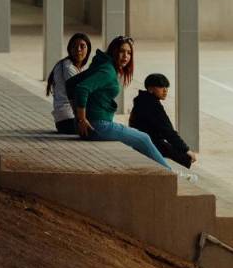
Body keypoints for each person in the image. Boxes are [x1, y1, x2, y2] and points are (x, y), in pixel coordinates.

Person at [71, 36, 176, 171]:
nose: (125, 56)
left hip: (96, 124)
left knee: (137, 137)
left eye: (129, 53)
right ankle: (170, 173)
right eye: (122, 51)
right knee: (143, 138)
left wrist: (78, 116)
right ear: (113, 51)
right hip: (96, 126)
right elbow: (81, 88)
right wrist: (81, 119)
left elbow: (72, 84)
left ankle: (162, 172)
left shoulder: (103, 65)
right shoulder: (107, 71)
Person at [129, 73, 197, 169]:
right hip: (149, 142)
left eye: (166, 87)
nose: (165, 91)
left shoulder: (142, 100)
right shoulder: (153, 106)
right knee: (186, 157)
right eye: (161, 87)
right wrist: (186, 149)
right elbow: (168, 131)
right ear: (150, 89)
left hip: (141, 140)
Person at [45, 31, 92, 136]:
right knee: (99, 130)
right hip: (67, 120)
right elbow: (78, 94)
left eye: (82, 46)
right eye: (75, 46)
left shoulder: (77, 67)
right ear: (70, 49)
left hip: (67, 119)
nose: (78, 50)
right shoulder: (67, 67)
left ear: (88, 49)